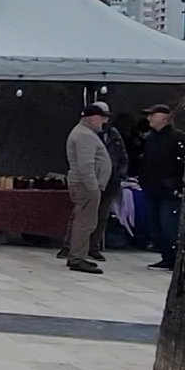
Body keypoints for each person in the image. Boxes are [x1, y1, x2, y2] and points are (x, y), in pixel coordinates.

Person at [64, 103, 112, 275]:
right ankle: (77, 257)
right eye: (103, 117)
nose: (105, 121)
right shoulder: (85, 136)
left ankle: (78, 255)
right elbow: (86, 165)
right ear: (94, 118)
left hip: (85, 184)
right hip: (86, 186)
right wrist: (94, 187)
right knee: (85, 222)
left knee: (85, 220)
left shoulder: (84, 133)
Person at [138, 105, 185, 270]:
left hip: (169, 191)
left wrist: (176, 184)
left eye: (152, 115)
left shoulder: (178, 138)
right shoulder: (151, 139)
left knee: (169, 225)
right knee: (155, 225)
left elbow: (183, 164)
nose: (149, 118)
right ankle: (166, 256)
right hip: (153, 188)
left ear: (164, 118)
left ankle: (175, 257)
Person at [92, 107, 131, 260]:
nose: (104, 120)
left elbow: (123, 156)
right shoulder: (89, 134)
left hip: (111, 181)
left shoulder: (113, 134)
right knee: (85, 215)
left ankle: (93, 246)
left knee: (103, 216)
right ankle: (73, 246)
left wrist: (121, 173)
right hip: (93, 180)